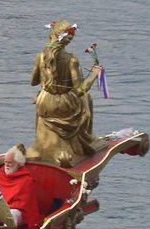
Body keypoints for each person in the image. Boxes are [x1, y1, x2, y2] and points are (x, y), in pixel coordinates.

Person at [28, 20, 104, 166]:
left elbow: (33, 82)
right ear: (67, 40)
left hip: (44, 102)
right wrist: (94, 74)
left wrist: (48, 77)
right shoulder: (71, 60)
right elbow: (79, 91)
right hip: (64, 104)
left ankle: (43, 146)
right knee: (86, 99)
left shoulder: (41, 56)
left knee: (40, 98)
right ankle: (86, 141)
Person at [0, 146, 43, 229]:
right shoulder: (0, 175)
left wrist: (5, 209)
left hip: (21, 214)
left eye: (10, 163)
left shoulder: (26, 180)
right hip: (2, 209)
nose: (7, 165)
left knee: (11, 214)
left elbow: (24, 204)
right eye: (5, 162)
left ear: (18, 163)